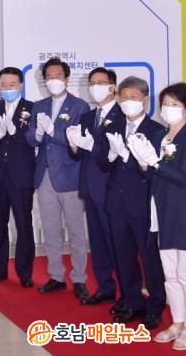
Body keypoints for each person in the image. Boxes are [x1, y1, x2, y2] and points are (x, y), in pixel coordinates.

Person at [129, 82, 186, 349]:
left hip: (185, 213)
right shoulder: (161, 136)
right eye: (165, 104)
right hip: (161, 210)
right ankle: (178, 322)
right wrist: (143, 162)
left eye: (175, 104)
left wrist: (155, 162)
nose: (168, 109)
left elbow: (182, 178)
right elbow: (155, 175)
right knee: (170, 275)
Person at [97, 76, 165, 330]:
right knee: (123, 256)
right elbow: (102, 164)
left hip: (143, 203)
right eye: (124, 97)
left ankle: (155, 306)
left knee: (149, 258)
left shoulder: (157, 130)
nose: (128, 102)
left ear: (145, 100)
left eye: (134, 98)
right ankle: (132, 302)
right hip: (116, 201)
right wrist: (111, 154)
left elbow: (155, 172)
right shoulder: (112, 125)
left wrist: (128, 157)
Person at [25, 57, 90, 300]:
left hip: (70, 175)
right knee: (50, 229)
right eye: (49, 77)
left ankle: (79, 278)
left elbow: (79, 141)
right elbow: (30, 139)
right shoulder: (39, 106)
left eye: (58, 76)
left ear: (67, 78)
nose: (54, 80)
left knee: (76, 231)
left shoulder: (79, 106)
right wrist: (38, 134)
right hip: (44, 175)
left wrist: (53, 132)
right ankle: (56, 276)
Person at [66, 67, 125, 310]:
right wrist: (74, 145)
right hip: (90, 187)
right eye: (92, 83)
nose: (95, 87)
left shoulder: (123, 115)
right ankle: (105, 287)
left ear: (113, 87)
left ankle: (126, 294)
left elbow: (117, 155)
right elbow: (80, 155)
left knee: (116, 243)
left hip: (111, 188)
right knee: (98, 243)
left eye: (101, 82)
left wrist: (92, 146)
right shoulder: (88, 116)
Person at [0, 67, 35, 288]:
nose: (7, 88)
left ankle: (25, 272)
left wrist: (15, 132)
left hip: (21, 174)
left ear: (20, 85)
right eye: (3, 85)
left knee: (23, 225)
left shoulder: (32, 108)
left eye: (12, 84)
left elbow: (33, 139)